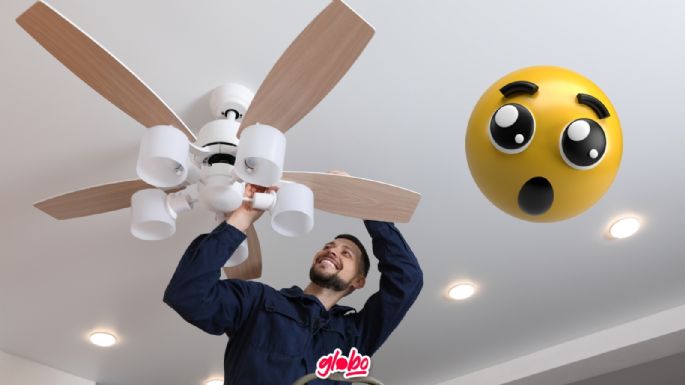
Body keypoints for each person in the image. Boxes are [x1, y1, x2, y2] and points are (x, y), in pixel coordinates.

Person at [163, 173, 423, 385]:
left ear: (358, 281)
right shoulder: (258, 302)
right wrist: (240, 219)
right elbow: (188, 294)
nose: (332, 250)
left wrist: (362, 206)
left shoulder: (356, 335)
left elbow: (407, 279)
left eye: (346, 253)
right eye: (329, 246)